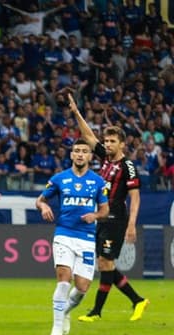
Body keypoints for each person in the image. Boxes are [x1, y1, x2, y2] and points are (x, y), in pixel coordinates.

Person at [67, 94, 149, 322]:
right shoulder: (105, 159)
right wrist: (75, 112)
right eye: (107, 140)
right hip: (100, 217)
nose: (108, 144)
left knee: (105, 263)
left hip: (116, 218)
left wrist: (132, 225)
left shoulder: (128, 166)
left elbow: (135, 197)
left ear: (122, 144)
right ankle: (137, 300)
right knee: (105, 263)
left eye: (113, 141)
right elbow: (88, 136)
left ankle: (96, 311)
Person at [36, 139, 109, 335]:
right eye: (76, 151)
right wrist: (44, 206)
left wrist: (94, 216)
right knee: (63, 279)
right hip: (64, 234)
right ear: (71, 155)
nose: (79, 154)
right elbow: (40, 200)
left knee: (82, 287)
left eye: (84, 151)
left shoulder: (97, 181)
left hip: (86, 238)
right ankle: (56, 327)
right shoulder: (59, 179)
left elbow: (105, 209)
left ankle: (65, 311)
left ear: (90, 156)